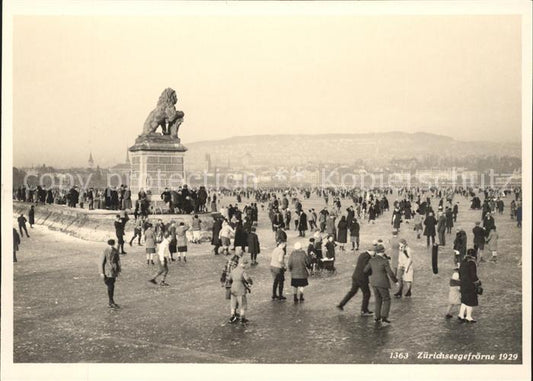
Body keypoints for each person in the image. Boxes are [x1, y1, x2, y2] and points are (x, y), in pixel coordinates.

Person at [364, 244, 398, 325]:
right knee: (386, 299)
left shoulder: (372, 260)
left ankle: (377, 317)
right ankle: (384, 317)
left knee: (378, 299)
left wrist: (373, 274)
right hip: (382, 283)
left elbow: (365, 270)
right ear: (383, 252)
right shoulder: (384, 261)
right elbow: (390, 273)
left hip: (374, 283)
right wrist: (396, 281)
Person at [336, 245, 374, 316]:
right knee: (367, 294)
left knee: (352, 292)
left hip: (355, 276)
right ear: (371, 251)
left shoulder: (362, 254)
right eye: (374, 252)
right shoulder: (368, 257)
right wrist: (371, 272)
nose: (374, 253)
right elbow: (366, 269)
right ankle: (364, 310)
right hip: (362, 278)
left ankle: (341, 304)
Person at [458, 249, 481, 323]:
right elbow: (473, 275)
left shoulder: (463, 262)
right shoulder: (472, 263)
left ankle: (461, 315)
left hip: (463, 284)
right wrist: (478, 282)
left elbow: (460, 273)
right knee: (470, 301)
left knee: (464, 300)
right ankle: (468, 316)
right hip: (470, 285)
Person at [228, 258, 253, 324]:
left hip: (233, 289)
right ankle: (242, 318)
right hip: (240, 289)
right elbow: (247, 278)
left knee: (233, 303)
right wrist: (250, 282)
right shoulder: (243, 271)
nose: (246, 266)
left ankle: (232, 316)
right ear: (242, 264)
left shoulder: (233, 270)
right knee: (242, 304)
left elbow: (229, 278)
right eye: (245, 264)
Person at [99, 239, 121, 308]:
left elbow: (118, 261)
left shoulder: (115, 250)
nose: (111, 246)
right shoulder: (105, 251)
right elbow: (101, 262)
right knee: (110, 286)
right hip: (107, 271)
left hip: (113, 271)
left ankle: (111, 301)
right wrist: (101, 272)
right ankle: (111, 302)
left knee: (111, 286)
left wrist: (118, 271)